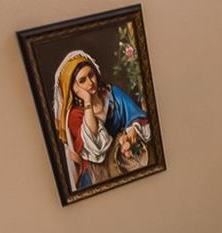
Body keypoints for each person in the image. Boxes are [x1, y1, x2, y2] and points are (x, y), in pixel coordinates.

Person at [52, 50, 151, 190]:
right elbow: (95, 144)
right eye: (82, 80)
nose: (90, 82)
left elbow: (137, 116)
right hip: (97, 176)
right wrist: (87, 101)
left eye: (91, 75)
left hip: (123, 163)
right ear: (73, 88)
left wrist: (133, 129)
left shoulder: (112, 94)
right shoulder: (74, 115)